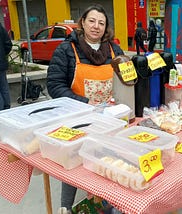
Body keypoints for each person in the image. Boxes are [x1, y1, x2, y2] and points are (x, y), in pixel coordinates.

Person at [46, 4, 124, 213]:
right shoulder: (66, 49)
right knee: (72, 160)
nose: (96, 26)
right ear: (82, 22)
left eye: (101, 22)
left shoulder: (114, 50)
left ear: (106, 27)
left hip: (109, 117)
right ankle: (65, 207)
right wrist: (83, 102)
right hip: (76, 116)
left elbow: (126, 78)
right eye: (92, 21)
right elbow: (54, 85)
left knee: (108, 160)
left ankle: (106, 201)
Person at [0, 19, 13, 123]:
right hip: (1, 63)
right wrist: (1, 55)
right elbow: (8, 44)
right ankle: (6, 109)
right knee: (3, 86)